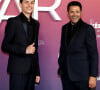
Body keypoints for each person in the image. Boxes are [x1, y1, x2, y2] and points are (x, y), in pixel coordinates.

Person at [58, 1, 98, 90]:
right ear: (67, 13)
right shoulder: (64, 28)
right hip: (66, 76)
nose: (74, 14)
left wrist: (93, 76)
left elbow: (94, 54)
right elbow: (63, 49)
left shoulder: (88, 29)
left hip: (83, 77)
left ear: (81, 13)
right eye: (72, 12)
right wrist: (61, 67)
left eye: (77, 11)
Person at [1, 0, 40, 90]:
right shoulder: (13, 22)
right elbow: (5, 45)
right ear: (20, 4)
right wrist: (24, 50)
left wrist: (37, 72)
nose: (29, 5)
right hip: (17, 70)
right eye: (26, 2)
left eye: (32, 2)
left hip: (31, 71)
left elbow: (35, 49)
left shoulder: (36, 24)